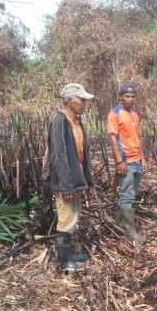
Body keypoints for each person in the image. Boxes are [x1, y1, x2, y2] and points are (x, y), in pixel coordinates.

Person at [47, 83, 96, 272]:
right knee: (66, 218)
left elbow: (83, 154)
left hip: (76, 179)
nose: (84, 103)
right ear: (69, 101)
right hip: (65, 183)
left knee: (73, 217)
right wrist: (66, 186)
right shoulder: (59, 121)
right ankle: (63, 260)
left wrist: (88, 182)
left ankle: (69, 254)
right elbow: (59, 156)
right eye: (81, 100)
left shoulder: (76, 121)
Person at [107, 83, 147, 244]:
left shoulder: (135, 115)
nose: (130, 99)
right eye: (127, 96)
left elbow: (137, 138)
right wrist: (119, 161)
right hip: (126, 161)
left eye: (132, 96)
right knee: (127, 196)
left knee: (129, 194)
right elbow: (113, 138)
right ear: (120, 97)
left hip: (136, 160)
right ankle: (131, 232)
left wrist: (143, 158)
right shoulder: (115, 114)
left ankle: (118, 224)